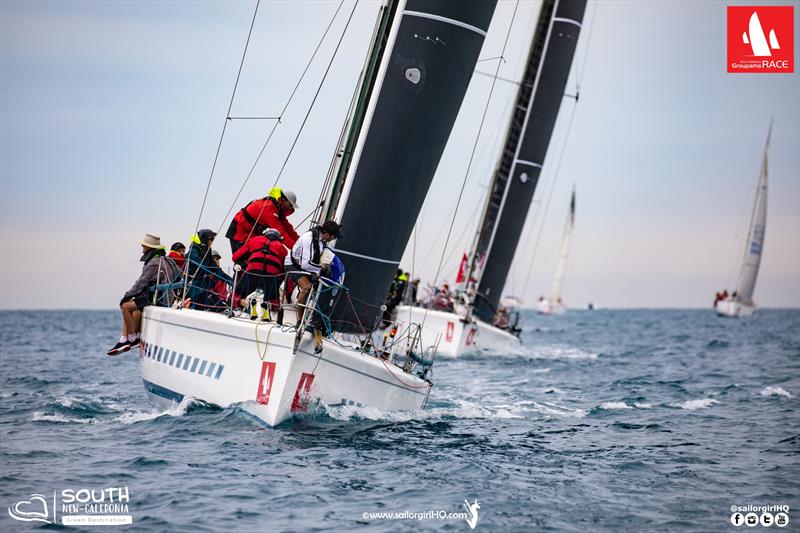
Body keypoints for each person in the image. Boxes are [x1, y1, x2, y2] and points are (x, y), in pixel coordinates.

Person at [107, 233, 181, 356]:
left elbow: (141, 283)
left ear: (149, 248)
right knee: (135, 309)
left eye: (144, 245)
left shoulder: (153, 262)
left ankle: (131, 339)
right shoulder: (167, 259)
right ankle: (124, 340)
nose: (142, 246)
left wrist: (126, 295)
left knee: (125, 305)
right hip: (166, 298)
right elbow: (180, 275)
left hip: (156, 299)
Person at [285, 220, 343, 352]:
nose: (334, 239)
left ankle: (315, 321)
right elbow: (306, 264)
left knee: (320, 288)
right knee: (307, 287)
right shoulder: (309, 239)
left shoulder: (322, 241)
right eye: (334, 236)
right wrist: (321, 267)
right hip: (293, 265)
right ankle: (299, 321)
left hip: (307, 268)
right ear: (327, 234)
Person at [232, 227, 288, 320]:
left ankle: (244, 304)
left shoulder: (254, 240)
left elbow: (235, 257)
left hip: (253, 272)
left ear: (264, 234)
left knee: (237, 294)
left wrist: (247, 261)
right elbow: (284, 270)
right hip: (271, 275)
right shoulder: (282, 248)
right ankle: (268, 306)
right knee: (274, 300)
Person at [226, 187, 300, 256]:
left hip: (251, 235)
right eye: (290, 204)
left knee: (256, 260)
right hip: (239, 232)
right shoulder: (269, 208)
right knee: (241, 260)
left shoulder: (278, 211)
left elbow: (289, 229)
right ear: (284, 199)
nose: (291, 207)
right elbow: (281, 233)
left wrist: (301, 242)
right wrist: (296, 250)